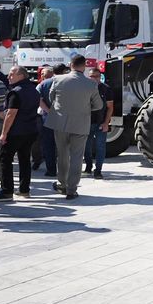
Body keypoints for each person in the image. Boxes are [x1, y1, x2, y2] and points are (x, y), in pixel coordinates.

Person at [43, 55, 102, 199]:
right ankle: (71, 189)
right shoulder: (91, 84)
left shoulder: (58, 79)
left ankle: (62, 184)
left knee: (62, 155)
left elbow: (51, 98)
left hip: (60, 122)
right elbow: (98, 105)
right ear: (84, 66)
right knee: (77, 157)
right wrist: (85, 108)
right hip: (81, 123)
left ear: (70, 65)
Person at [0, 67, 40, 201]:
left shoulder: (16, 92)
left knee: (5, 159)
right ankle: (24, 189)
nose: (8, 76)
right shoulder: (34, 90)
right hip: (30, 130)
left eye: (12, 74)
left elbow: (11, 114)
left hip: (16, 131)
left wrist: (3, 133)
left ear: (21, 76)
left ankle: (7, 191)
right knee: (24, 160)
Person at [83, 67, 113, 179]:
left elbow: (110, 107)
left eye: (96, 76)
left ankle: (98, 170)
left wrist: (106, 123)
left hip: (101, 123)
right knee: (86, 147)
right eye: (91, 76)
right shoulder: (84, 89)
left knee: (100, 147)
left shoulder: (106, 89)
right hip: (87, 123)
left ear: (100, 77)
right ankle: (88, 166)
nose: (94, 78)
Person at [37, 64, 66, 177]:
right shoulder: (68, 83)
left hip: (47, 118)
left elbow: (38, 99)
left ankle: (51, 170)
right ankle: (63, 170)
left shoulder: (44, 84)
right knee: (63, 145)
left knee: (49, 144)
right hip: (64, 118)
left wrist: (48, 111)